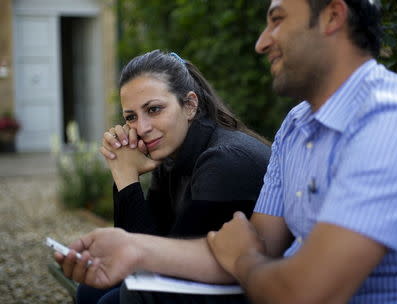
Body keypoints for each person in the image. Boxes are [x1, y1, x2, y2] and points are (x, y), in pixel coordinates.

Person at [56, 0, 397, 303]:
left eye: (277, 20)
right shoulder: (297, 127)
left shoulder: (395, 124)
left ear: (332, 17)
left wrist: (243, 260)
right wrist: (132, 248)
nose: (262, 42)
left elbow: (302, 291)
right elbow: (256, 243)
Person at [72, 49, 271, 304]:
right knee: (90, 290)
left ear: (189, 105)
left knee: (112, 299)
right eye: (131, 117)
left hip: (251, 288)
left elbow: (158, 266)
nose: (141, 128)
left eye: (154, 109)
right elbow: (142, 245)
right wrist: (125, 176)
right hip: (202, 281)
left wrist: (126, 176)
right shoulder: (173, 154)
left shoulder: (224, 161)